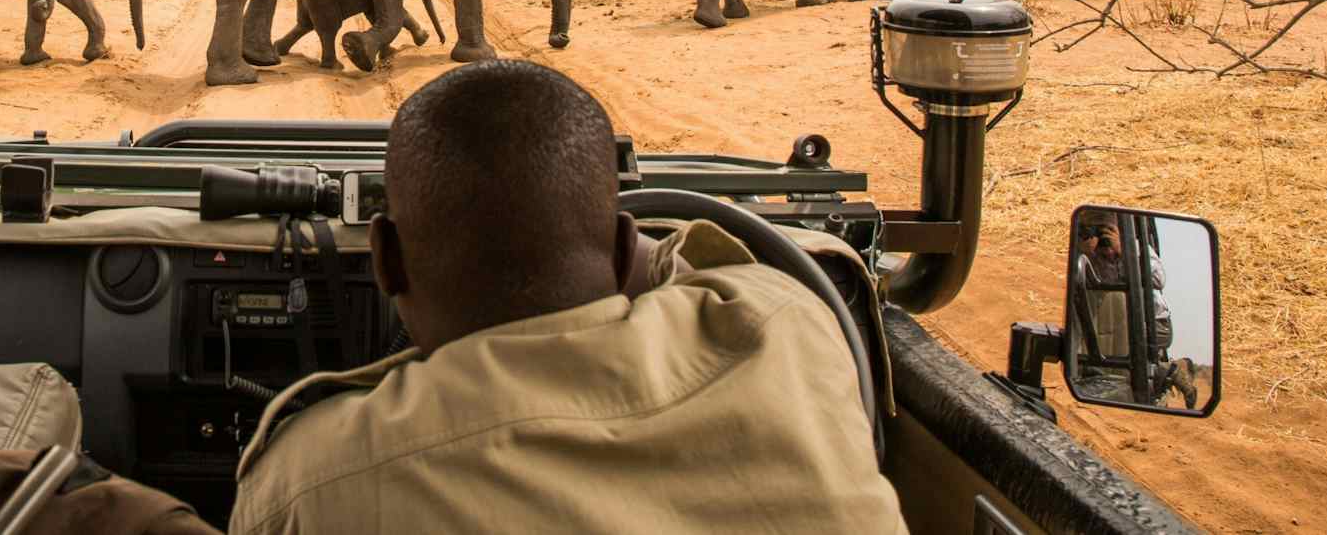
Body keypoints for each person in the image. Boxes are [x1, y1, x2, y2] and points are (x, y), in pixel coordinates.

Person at [229, 59, 906, 534]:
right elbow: (690, 260)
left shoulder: (308, 485)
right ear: (619, 250)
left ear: (385, 260)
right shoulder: (786, 327)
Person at [1072, 209, 1172, 404]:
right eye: (1091, 228)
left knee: (1144, 358)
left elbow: (1158, 279)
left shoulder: (1133, 245)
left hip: (1153, 321)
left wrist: (1124, 251)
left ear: (1116, 226)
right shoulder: (1082, 253)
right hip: (1105, 319)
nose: (1099, 234)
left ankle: (1165, 371)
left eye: (1104, 227)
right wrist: (1084, 251)